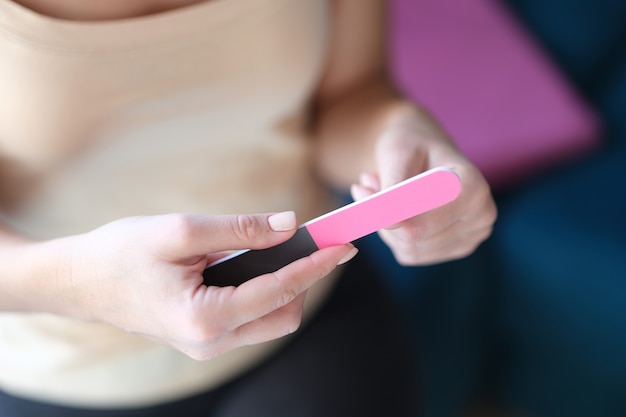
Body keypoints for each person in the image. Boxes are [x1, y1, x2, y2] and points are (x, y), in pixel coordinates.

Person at [0, 0, 497, 416]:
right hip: (56, 368)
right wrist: (79, 285)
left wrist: (400, 139)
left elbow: (352, 92)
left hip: (302, 307)